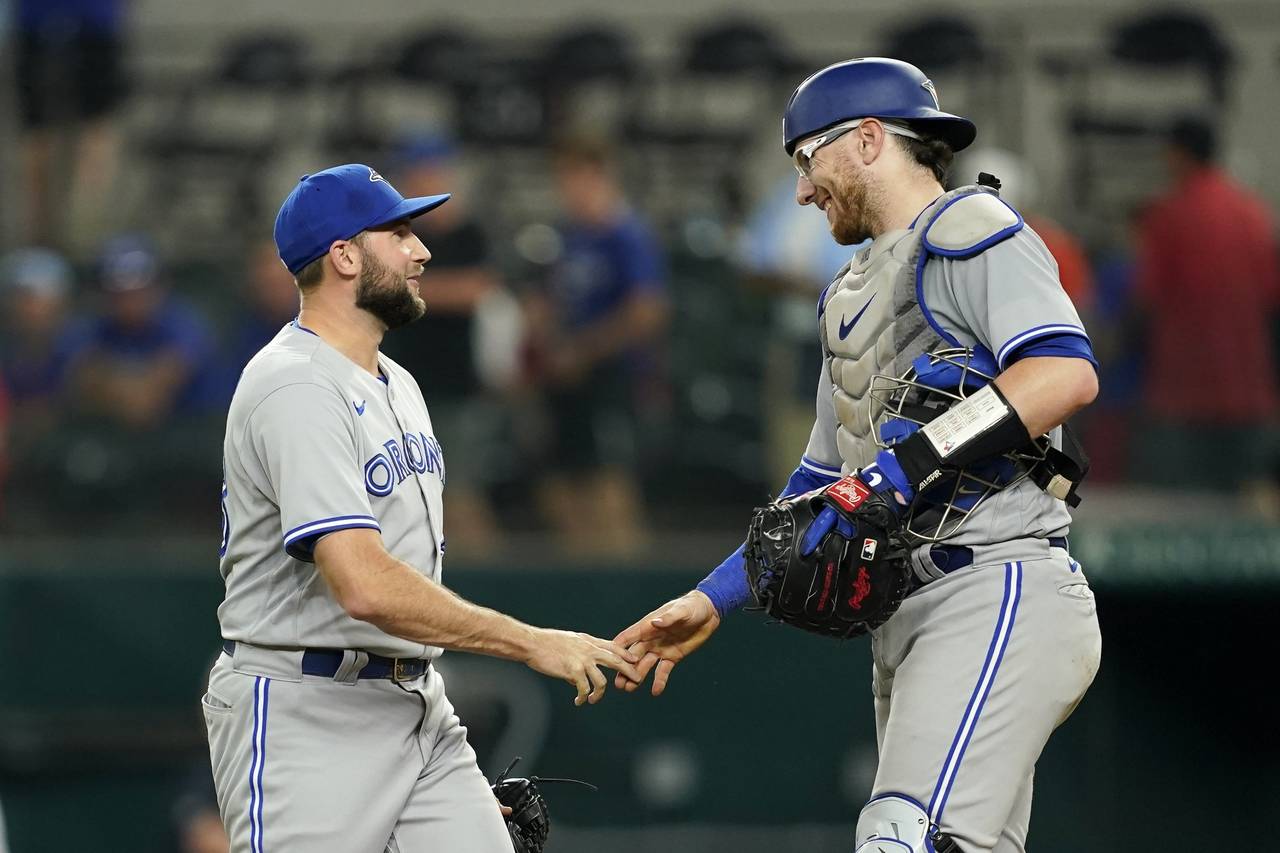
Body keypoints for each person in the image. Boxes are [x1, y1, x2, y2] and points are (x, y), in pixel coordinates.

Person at [615, 58, 1102, 853]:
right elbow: (821, 481)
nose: (803, 190)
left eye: (808, 160)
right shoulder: (848, 289)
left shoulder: (968, 226)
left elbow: (1062, 371)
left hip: (994, 581)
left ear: (869, 139)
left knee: (899, 836)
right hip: (910, 610)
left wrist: (904, 465)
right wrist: (714, 596)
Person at [205, 164, 640, 852]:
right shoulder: (295, 385)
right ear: (344, 255)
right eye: (400, 232)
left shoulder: (398, 381)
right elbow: (363, 585)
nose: (423, 250)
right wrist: (532, 640)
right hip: (306, 709)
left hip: (413, 701)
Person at [527, 135, 668, 555]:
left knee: (610, 485)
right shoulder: (567, 236)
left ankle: (628, 595)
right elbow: (553, 300)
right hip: (566, 380)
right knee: (558, 487)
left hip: (612, 377)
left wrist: (583, 350)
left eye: (575, 178)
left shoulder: (627, 235)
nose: (568, 189)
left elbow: (648, 311)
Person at [1133, 114, 1280, 493]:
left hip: (1184, 395)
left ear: (1178, 154)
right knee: (1245, 512)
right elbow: (1270, 297)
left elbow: (1146, 299)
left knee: (1184, 509)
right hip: (1248, 393)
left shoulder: (1169, 215)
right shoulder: (1253, 213)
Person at [379, 132, 508, 556]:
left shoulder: (468, 232)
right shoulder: (398, 233)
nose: (422, 178)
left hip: (455, 384)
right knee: (411, 499)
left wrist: (406, 288)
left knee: (461, 493)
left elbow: (478, 289)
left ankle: (490, 590)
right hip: (403, 383)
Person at [71, 235, 221, 429]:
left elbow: (143, 408)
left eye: (139, 291)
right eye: (120, 294)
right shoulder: (98, 326)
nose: (130, 302)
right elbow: (79, 383)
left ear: (159, 287)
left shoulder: (183, 325)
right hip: (125, 438)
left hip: (192, 431)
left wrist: (108, 385)